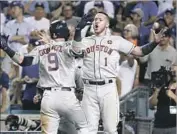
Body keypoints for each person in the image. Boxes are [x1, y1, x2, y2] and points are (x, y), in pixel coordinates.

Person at [72, 11, 166, 134]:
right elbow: (75, 51)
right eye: (95, 19)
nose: (96, 21)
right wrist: (78, 31)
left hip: (108, 88)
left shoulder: (116, 40)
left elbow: (140, 52)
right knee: (87, 131)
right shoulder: (85, 41)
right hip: (89, 88)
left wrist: (154, 43)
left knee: (111, 129)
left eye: (100, 19)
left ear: (107, 24)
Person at [0, 20, 89, 134]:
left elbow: (22, 61)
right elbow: (77, 50)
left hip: (48, 98)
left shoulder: (41, 49)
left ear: (53, 34)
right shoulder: (68, 45)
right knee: (84, 127)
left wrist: (6, 47)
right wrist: (78, 32)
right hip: (67, 96)